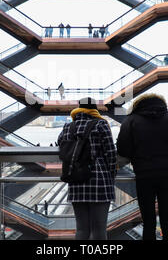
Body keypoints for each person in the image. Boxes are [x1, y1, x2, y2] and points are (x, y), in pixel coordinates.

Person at [117, 94, 168, 240]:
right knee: (167, 220)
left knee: (148, 221)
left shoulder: (131, 120)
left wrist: (137, 154)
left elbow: (123, 149)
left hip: (144, 174)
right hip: (167, 173)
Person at [57, 97, 117, 240]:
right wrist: (112, 174)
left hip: (76, 179)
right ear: (94, 109)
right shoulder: (101, 124)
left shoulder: (68, 127)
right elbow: (111, 153)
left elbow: (61, 144)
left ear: (79, 108)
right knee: (99, 230)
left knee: (82, 228)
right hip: (100, 181)